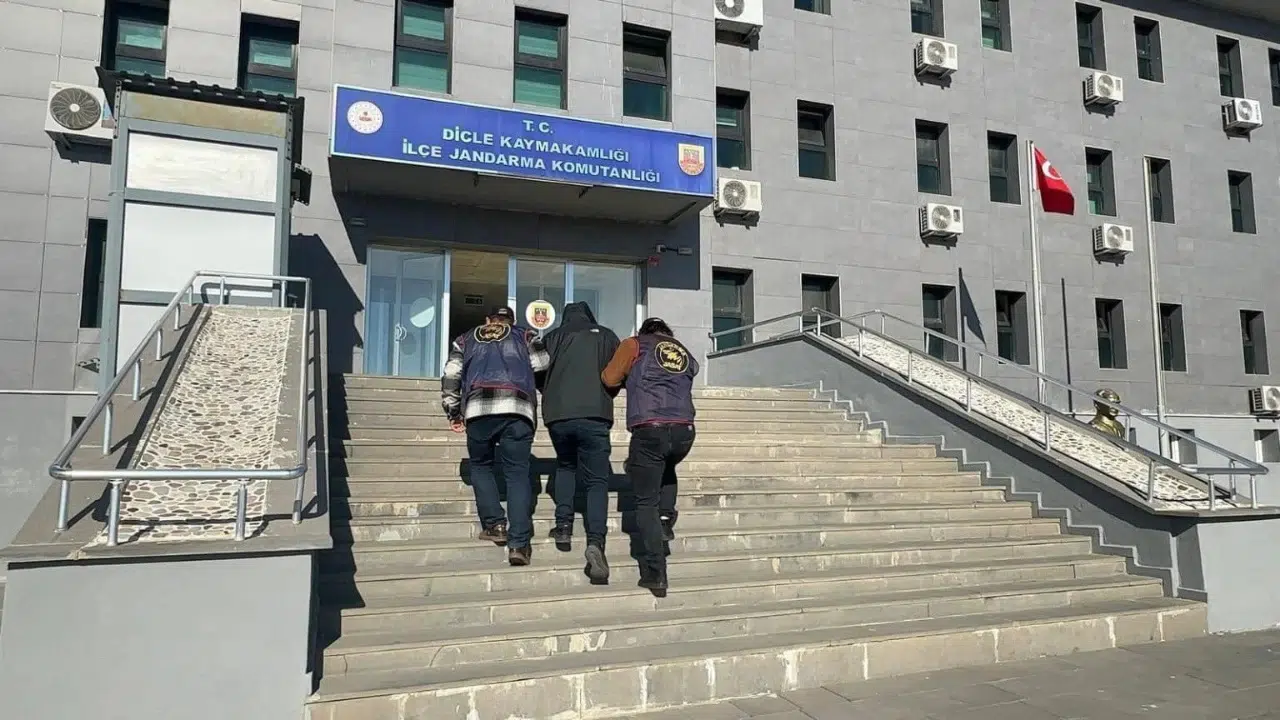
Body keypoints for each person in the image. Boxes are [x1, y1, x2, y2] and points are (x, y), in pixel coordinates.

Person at [441, 306, 550, 566]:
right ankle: (519, 545)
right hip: (518, 408)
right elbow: (542, 362)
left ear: (488, 320)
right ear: (512, 321)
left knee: (481, 466)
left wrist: (453, 410)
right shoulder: (525, 335)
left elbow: (451, 373)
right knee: (517, 474)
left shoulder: (465, 339)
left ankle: (495, 525)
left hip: (478, 408)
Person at [602, 317, 698, 593]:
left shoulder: (634, 344)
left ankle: (656, 572)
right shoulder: (681, 350)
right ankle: (666, 519)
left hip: (650, 427)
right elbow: (693, 370)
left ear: (644, 332)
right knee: (668, 467)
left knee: (645, 503)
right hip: (684, 429)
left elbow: (609, 378)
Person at [538, 302, 621, 582]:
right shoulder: (606, 335)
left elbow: (537, 371)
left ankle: (563, 526)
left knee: (565, 466)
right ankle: (596, 541)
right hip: (595, 413)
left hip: (558, 414)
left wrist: (551, 392)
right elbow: (617, 373)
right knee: (597, 481)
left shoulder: (552, 337)